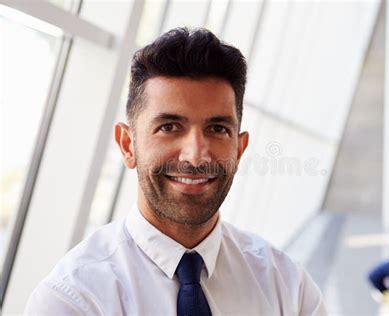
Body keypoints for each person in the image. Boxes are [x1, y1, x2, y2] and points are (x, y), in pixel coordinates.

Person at [24, 27, 326, 315]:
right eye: (169, 127)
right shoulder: (72, 300)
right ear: (128, 145)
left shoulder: (287, 287)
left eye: (217, 128)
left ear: (239, 148)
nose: (195, 156)